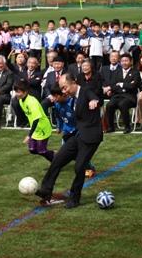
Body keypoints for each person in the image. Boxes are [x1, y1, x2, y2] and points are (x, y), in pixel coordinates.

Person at [35, 72, 103, 209]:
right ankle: (45, 191)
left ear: (73, 83)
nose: (64, 91)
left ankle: (74, 198)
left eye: (65, 87)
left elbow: (94, 96)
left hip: (90, 138)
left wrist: (94, 101)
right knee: (57, 159)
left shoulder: (85, 91)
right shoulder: (71, 98)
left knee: (79, 167)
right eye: (62, 89)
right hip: (77, 136)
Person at [15, 79, 56, 163]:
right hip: (35, 129)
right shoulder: (20, 101)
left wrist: (29, 135)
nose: (17, 94)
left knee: (42, 150)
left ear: (25, 92)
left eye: (19, 92)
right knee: (32, 149)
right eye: (16, 91)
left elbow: (36, 119)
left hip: (43, 127)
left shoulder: (32, 102)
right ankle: (54, 155)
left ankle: (55, 160)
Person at [104, 52, 139, 133]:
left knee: (122, 104)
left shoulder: (135, 72)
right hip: (117, 95)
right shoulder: (117, 72)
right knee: (109, 105)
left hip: (130, 97)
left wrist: (121, 84)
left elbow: (133, 86)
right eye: (122, 61)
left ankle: (127, 126)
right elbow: (113, 85)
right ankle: (111, 127)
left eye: (126, 60)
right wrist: (124, 85)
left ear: (130, 62)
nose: (124, 62)